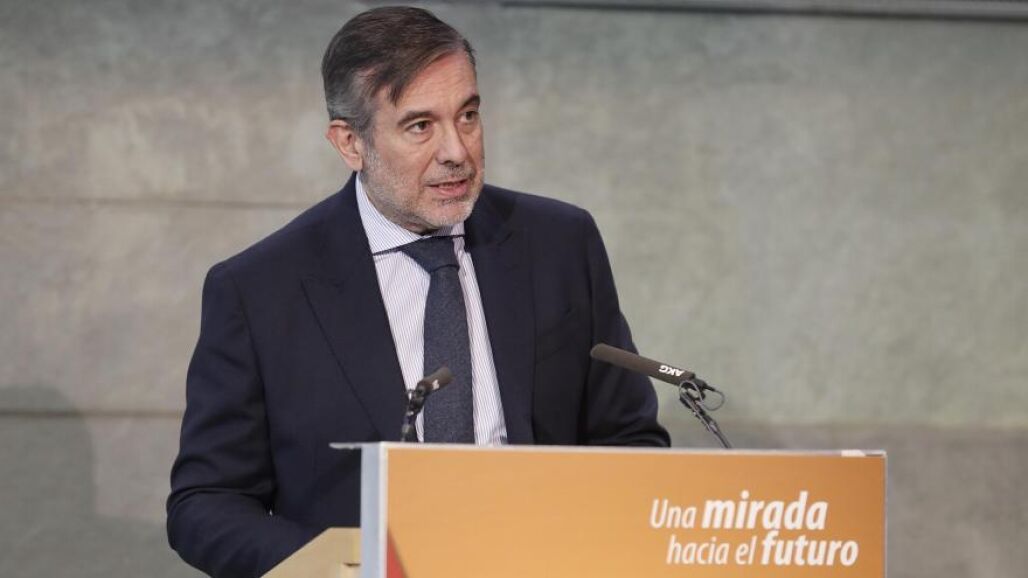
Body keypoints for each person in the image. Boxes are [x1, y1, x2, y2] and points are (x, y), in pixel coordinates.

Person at [167, 6, 669, 578]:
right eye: (420, 126)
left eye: (468, 116)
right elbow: (205, 504)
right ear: (350, 143)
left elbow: (629, 440)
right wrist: (340, 566)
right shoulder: (260, 290)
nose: (457, 151)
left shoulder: (559, 244)